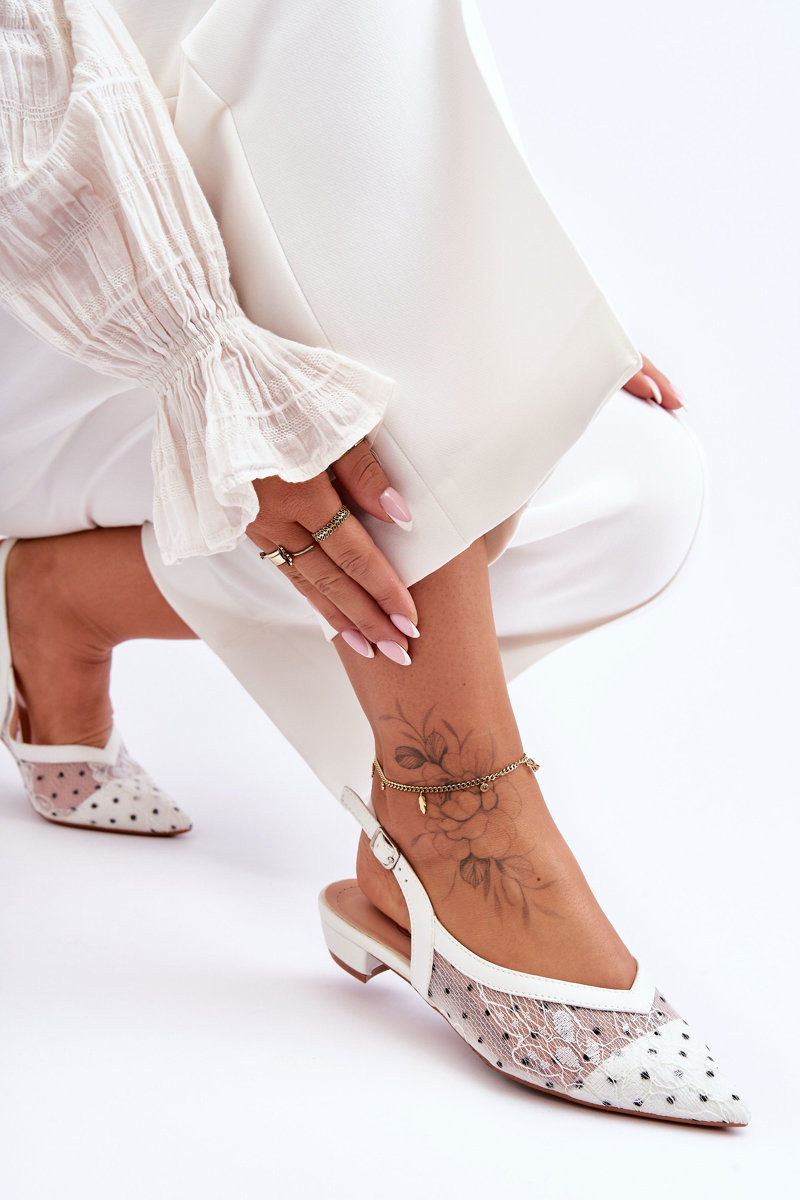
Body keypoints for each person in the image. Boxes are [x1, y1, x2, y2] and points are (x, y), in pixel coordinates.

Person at [0, 0, 748, 1125]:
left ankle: (63, 597)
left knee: (637, 486)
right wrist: (208, 354)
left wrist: (509, 321)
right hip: (60, 283)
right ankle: (450, 804)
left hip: (178, 267)